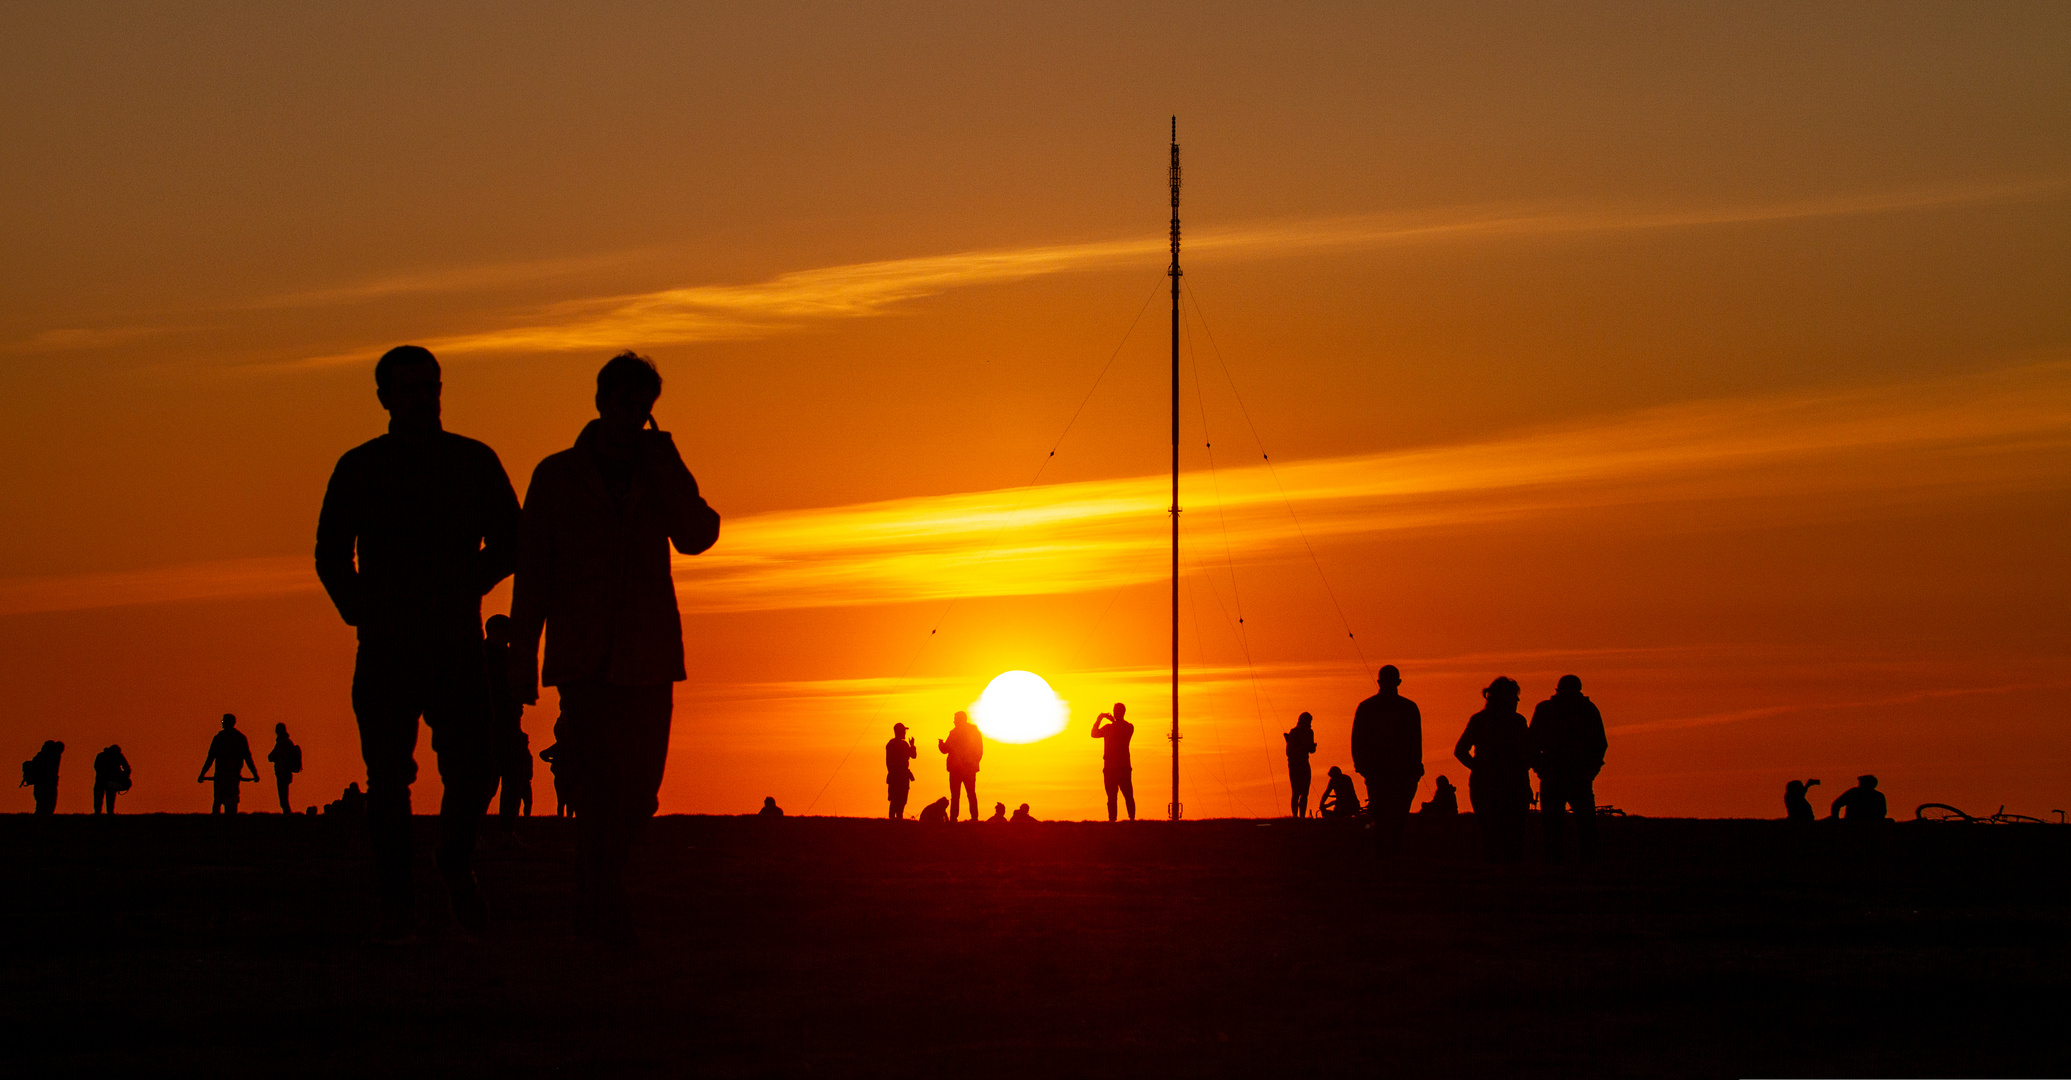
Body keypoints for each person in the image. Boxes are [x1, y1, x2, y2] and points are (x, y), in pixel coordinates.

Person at [508, 351, 721, 946]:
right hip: (582, 655)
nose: (632, 413)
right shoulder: (555, 475)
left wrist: (669, 464)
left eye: (642, 404)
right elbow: (533, 572)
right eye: (623, 401)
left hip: (649, 654)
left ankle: (597, 884)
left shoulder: (660, 466)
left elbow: (698, 534)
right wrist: (521, 655)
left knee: (641, 789)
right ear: (601, 401)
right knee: (599, 786)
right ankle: (600, 903)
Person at [316, 344, 520, 940]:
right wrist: (363, 610)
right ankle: (397, 900)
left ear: (439, 389)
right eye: (406, 389)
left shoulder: (473, 461)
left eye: (428, 386)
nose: (420, 398)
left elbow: (512, 540)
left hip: (455, 642)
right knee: (387, 777)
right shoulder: (359, 466)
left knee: (475, 769)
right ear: (384, 397)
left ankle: (455, 863)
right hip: (386, 645)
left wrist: (464, 587)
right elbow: (331, 554)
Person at [1529, 674, 1609, 864]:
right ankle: (1589, 864)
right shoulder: (1588, 709)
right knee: (1585, 825)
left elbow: (1530, 743)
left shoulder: (1546, 709)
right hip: (1577, 776)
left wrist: (1540, 768)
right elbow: (1600, 744)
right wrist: (1591, 770)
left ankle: (1554, 864)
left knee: (1553, 826)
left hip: (1555, 776)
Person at [1454, 677, 1532, 863]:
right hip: (1508, 785)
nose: (1517, 701)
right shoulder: (1516, 722)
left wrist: (1479, 769)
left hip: (1492, 784)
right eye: (1514, 696)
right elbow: (1526, 755)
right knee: (1510, 836)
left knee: (1493, 835)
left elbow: (1460, 751)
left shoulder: (1482, 720)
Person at [1352, 665, 1424, 854]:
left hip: (1388, 770)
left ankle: (1385, 849)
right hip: (1392, 771)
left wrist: (1361, 765)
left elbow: (1357, 739)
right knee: (1393, 812)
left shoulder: (1368, 707)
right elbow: (1416, 741)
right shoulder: (1408, 707)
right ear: (1398, 682)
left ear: (1379, 682)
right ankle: (1387, 849)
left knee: (1384, 811)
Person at [481, 614, 530, 833]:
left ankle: (507, 832)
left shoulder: (511, 657)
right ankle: (476, 833)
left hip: (510, 726)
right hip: (487, 727)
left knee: (513, 780)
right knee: (486, 782)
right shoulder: (479, 657)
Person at [198, 714, 259, 815]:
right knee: (229, 803)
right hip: (231, 775)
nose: (222, 724)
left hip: (223, 775)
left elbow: (210, 758)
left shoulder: (219, 738)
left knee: (219, 801)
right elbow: (247, 757)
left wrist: (202, 774)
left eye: (223, 722)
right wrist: (255, 774)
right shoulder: (240, 738)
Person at [1091, 703, 1136, 822]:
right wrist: (1101, 719)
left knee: (1124, 796)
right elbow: (1093, 734)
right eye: (1115, 711)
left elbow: (1095, 733)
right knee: (1116, 797)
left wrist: (1105, 719)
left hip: (1119, 768)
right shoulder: (1116, 728)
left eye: (1117, 711)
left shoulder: (1122, 727)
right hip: (1115, 768)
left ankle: (1125, 819)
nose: (1116, 713)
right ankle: (1117, 820)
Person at [938, 711, 984, 822]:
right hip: (958, 769)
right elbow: (946, 749)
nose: (954, 721)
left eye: (955, 718)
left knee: (966, 794)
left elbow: (979, 750)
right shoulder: (956, 732)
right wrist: (941, 745)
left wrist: (972, 762)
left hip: (965, 769)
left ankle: (968, 818)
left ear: (961, 719)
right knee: (961, 795)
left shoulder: (969, 732)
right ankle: (961, 818)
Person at [1284, 713, 1318, 818]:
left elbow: (1311, 751)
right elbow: (1289, 752)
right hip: (1295, 765)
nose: (1309, 723)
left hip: (1305, 763)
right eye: (1307, 721)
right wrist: (1303, 748)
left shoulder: (1309, 732)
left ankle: (1302, 816)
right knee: (1296, 792)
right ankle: (1295, 816)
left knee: (1305, 793)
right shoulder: (1294, 733)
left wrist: (1312, 747)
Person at [500, 730, 535, 825]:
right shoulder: (518, 753)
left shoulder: (525, 753)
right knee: (518, 801)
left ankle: (525, 817)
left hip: (526, 780)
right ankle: (517, 818)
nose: (528, 742)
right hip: (519, 780)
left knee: (527, 801)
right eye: (526, 741)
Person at [267, 723, 302, 815]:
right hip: (286, 772)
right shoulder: (288, 742)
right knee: (284, 797)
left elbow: (271, 757)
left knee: (283, 798)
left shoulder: (282, 742)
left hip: (282, 772)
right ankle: (287, 815)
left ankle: (287, 815)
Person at [885, 723, 918, 820]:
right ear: (899, 732)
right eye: (904, 731)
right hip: (901, 776)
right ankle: (897, 818)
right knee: (900, 798)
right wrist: (912, 745)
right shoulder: (903, 744)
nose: (905, 732)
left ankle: (895, 818)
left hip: (895, 775)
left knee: (896, 798)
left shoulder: (890, 744)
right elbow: (913, 755)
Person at [22, 740, 63, 814]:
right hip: (48, 786)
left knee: (41, 807)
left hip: (40, 785)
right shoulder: (53, 757)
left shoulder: (40, 757)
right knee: (47, 807)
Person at [92, 744, 132, 814]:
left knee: (103, 798)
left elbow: (127, 768)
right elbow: (127, 769)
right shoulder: (116, 756)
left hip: (105, 780)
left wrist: (121, 776)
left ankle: (101, 813)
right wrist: (121, 776)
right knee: (104, 798)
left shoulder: (102, 756)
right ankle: (102, 813)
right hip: (103, 780)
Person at [539, 742, 572, 817]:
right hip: (564, 777)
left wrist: (551, 761)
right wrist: (551, 761)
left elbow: (543, 754)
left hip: (566, 777)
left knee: (565, 800)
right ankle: (564, 818)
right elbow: (542, 754)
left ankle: (565, 818)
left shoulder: (559, 746)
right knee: (564, 800)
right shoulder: (559, 746)